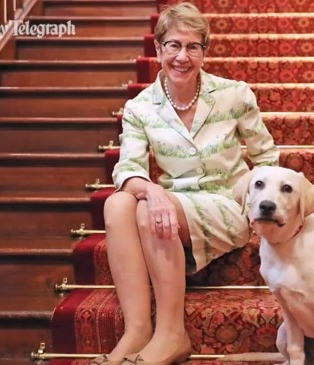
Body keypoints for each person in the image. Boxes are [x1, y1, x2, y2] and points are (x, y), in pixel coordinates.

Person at [98, 2, 279, 365]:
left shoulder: (234, 95)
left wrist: (266, 210)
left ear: (204, 51)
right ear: (158, 48)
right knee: (117, 203)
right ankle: (136, 330)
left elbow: (267, 158)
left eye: (193, 46)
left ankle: (171, 334)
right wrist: (152, 189)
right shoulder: (140, 108)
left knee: (149, 210)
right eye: (174, 45)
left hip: (226, 202)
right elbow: (127, 170)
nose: (182, 56)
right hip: (172, 204)